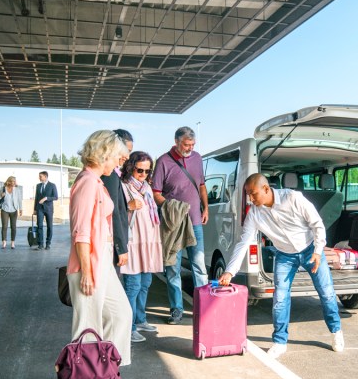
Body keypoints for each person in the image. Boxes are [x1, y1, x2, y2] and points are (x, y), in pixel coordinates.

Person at [218, 173, 344, 359]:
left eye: (253, 194)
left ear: (266, 189)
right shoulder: (254, 213)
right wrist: (230, 271)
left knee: (326, 293)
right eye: (248, 195)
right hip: (284, 256)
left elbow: (317, 224)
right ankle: (279, 342)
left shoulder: (292, 198)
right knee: (280, 298)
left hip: (310, 250)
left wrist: (318, 251)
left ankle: (336, 332)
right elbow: (243, 242)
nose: (250, 199)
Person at [66, 129, 133, 379]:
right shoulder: (86, 182)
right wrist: (86, 270)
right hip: (89, 262)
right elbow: (80, 232)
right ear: (104, 153)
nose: (119, 162)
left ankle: (105, 375)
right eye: (117, 157)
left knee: (120, 315)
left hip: (101, 260)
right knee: (87, 324)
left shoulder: (96, 182)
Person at [152, 126, 209, 325]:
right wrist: (169, 206)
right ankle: (176, 309)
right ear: (176, 142)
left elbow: (201, 185)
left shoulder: (198, 158)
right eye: (186, 144)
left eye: (192, 145)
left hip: (194, 221)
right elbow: (156, 192)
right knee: (173, 269)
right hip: (173, 224)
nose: (190, 148)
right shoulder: (163, 162)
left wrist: (206, 207)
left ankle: (204, 308)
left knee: (199, 266)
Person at [120, 151, 163, 342]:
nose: (143, 174)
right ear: (131, 167)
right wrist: (128, 205)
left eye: (147, 171)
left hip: (149, 241)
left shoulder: (146, 187)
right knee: (133, 286)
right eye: (139, 170)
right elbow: (115, 211)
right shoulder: (123, 186)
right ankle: (129, 328)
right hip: (133, 242)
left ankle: (141, 319)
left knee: (145, 284)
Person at [101, 129, 134, 274]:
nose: (127, 156)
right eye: (126, 150)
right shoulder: (109, 176)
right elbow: (113, 212)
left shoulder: (112, 174)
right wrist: (121, 247)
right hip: (111, 245)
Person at [33, 171, 58, 250]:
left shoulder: (52, 185)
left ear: (45, 176)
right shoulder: (38, 186)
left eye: (40, 176)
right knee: (39, 226)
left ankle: (48, 244)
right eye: (39, 176)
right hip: (40, 208)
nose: (39, 178)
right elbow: (36, 198)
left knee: (49, 226)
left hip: (49, 209)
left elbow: (55, 197)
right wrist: (35, 209)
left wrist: (46, 198)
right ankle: (40, 244)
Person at [0, 176, 23, 249]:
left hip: (14, 210)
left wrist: (20, 209)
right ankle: (4, 242)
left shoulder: (17, 190)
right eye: (12, 181)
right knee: (4, 226)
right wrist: (1, 196)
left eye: (15, 182)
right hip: (4, 209)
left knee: (13, 227)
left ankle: (12, 242)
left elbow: (19, 200)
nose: (14, 183)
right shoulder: (3, 188)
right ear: (9, 182)